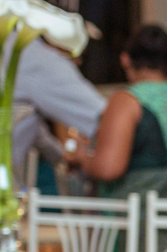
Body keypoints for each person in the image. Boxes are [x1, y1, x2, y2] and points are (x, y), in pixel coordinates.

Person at [74, 24, 167, 199]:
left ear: (125, 59)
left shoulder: (127, 100)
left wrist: (82, 158)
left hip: (139, 215)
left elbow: (108, 168)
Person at [9, 37, 106, 193]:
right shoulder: (37, 57)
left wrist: (64, 158)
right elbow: (105, 120)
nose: (78, 61)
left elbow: (40, 137)